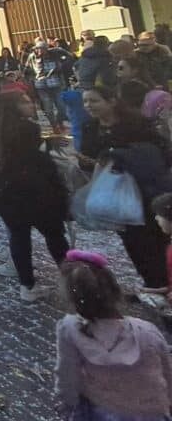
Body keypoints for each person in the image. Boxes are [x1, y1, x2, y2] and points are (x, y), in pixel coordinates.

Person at [55, 250, 172, 420]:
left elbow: (67, 376)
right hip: (150, 412)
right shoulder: (147, 332)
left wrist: (66, 405)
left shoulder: (69, 329)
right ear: (116, 291)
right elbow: (167, 374)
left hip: (102, 411)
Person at [81, 86, 172, 300]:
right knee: (132, 242)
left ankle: (165, 285)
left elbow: (159, 153)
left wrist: (118, 156)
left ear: (111, 101)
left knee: (155, 240)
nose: (88, 106)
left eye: (94, 101)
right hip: (116, 195)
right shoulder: (90, 127)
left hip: (145, 190)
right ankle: (151, 284)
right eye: (85, 102)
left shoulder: (135, 123)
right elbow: (88, 156)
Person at [0, 90, 70, 301]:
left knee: (19, 238)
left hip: (7, 195)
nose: (31, 104)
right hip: (35, 192)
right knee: (55, 235)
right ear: (13, 107)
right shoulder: (28, 128)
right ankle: (71, 278)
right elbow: (34, 159)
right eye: (24, 102)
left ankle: (27, 285)